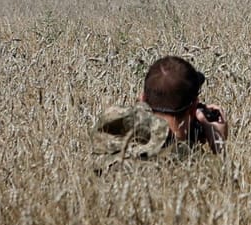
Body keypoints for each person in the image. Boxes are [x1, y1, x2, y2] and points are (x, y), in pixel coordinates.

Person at [93, 55, 228, 170]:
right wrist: (219, 146)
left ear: (142, 99)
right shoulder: (190, 163)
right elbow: (226, 192)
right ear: (193, 108)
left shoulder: (109, 132)